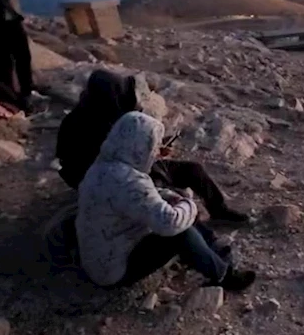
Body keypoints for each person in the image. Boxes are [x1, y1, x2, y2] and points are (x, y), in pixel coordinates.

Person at [76, 111, 256, 290]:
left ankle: (208, 249)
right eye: (153, 146)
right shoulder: (129, 180)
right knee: (180, 231)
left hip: (99, 257)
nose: (155, 152)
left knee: (177, 211)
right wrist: (189, 205)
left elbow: (136, 197)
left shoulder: (104, 166)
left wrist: (170, 198)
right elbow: (168, 222)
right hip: (113, 271)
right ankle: (225, 276)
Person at [56, 69, 250, 224]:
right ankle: (190, 234)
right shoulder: (86, 124)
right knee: (167, 194)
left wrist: (153, 152)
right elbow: (114, 163)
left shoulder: (103, 113)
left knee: (193, 170)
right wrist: (150, 157)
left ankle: (219, 210)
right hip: (104, 179)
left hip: (124, 169)